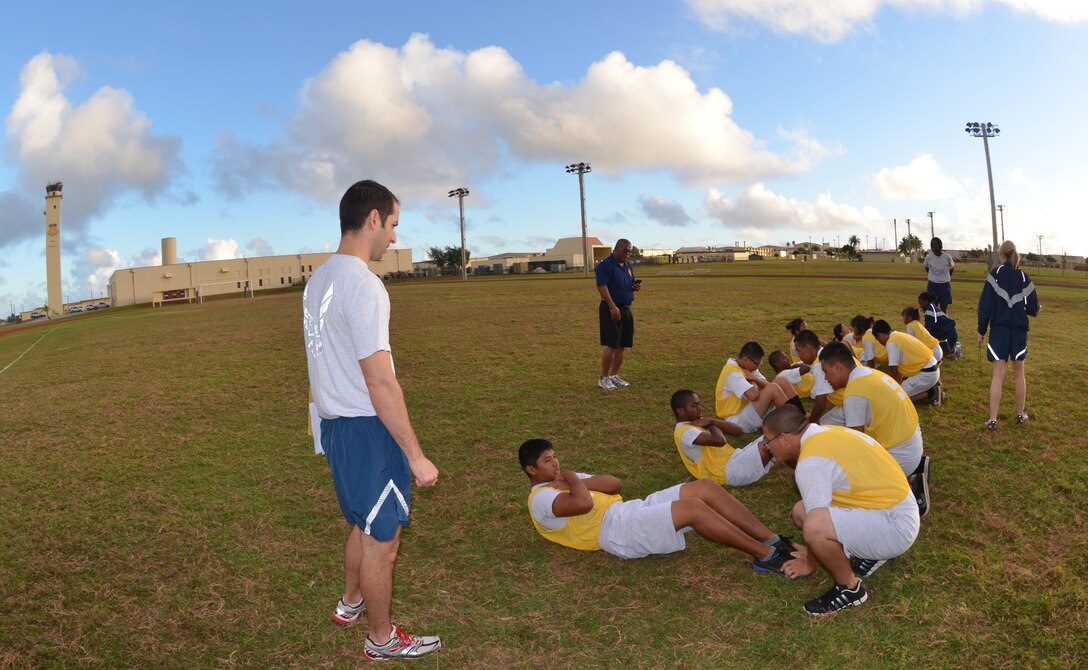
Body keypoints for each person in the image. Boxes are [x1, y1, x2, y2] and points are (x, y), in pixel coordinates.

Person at [303, 180, 442, 662]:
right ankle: (381, 640)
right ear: (374, 219)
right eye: (394, 225)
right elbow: (380, 382)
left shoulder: (319, 278)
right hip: (366, 429)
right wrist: (415, 456)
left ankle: (351, 601)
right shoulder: (363, 284)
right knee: (382, 540)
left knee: (363, 521)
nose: (395, 238)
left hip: (336, 426)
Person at [519, 439, 797, 573]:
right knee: (693, 508)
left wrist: (573, 479)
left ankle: (773, 539)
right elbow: (582, 502)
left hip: (627, 510)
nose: (556, 463)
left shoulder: (563, 480)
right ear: (532, 470)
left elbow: (615, 484)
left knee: (705, 487)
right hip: (614, 532)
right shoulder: (541, 498)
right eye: (547, 461)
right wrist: (569, 478)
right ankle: (768, 556)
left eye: (555, 457)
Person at [761, 406, 920, 616]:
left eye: (767, 440)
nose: (766, 446)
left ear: (784, 438)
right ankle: (871, 551)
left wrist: (809, 563)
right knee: (800, 511)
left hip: (895, 526)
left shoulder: (811, 462)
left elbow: (815, 522)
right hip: (897, 509)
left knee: (813, 525)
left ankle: (850, 589)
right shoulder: (827, 433)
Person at [818, 342, 931, 519]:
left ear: (838, 367)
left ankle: (909, 488)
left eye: (826, 372)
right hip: (912, 441)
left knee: (844, 488)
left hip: (901, 455)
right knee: (831, 425)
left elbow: (857, 445)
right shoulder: (868, 373)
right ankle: (913, 467)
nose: (825, 378)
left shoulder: (855, 393)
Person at [977, 240, 1040, 431]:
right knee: (1019, 373)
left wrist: (981, 330)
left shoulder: (994, 275)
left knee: (998, 374)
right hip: (1019, 331)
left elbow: (985, 306)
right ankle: (1020, 415)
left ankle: (993, 419)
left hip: (999, 331)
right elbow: (1033, 307)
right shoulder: (1023, 277)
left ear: (1001, 255)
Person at [670, 389, 774, 487]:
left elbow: (737, 431)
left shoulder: (695, 423)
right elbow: (719, 441)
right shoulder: (684, 431)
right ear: (681, 411)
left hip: (735, 457)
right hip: (726, 472)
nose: (701, 408)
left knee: (774, 434)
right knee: (769, 444)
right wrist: (710, 423)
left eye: (699, 404)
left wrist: (712, 422)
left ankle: (780, 460)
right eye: (694, 406)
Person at [715, 341, 801, 433]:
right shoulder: (733, 373)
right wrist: (753, 380)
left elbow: (767, 384)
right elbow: (753, 395)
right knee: (773, 389)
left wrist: (754, 378)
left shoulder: (748, 367)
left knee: (781, 381)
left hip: (747, 410)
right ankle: (795, 424)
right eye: (757, 364)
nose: (757, 367)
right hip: (737, 420)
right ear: (745, 359)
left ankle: (800, 414)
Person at [596, 239, 640, 390]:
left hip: (626, 309)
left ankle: (614, 375)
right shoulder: (605, 265)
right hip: (612, 309)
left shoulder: (627, 266)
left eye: (629, 251)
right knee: (612, 345)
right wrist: (612, 306)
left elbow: (628, 283)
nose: (627, 254)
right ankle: (604, 378)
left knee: (622, 345)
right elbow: (602, 286)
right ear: (616, 249)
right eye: (625, 251)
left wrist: (634, 287)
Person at [871, 320, 941, 405]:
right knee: (897, 392)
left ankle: (932, 393)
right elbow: (899, 371)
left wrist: (890, 390)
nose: (880, 343)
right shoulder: (898, 335)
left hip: (927, 374)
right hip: (932, 369)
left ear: (879, 335)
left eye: (878, 339)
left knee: (897, 398)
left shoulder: (891, 343)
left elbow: (894, 371)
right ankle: (930, 387)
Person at [792, 329, 847, 427]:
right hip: (853, 399)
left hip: (852, 404)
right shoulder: (829, 352)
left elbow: (820, 403)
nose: (799, 356)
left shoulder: (820, 364)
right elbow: (825, 398)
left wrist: (809, 423)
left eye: (799, 351)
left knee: (817, 428)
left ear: (808, 348)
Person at [919, 292, 961, 359]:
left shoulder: (930, 310)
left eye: (921, 303)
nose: (920, 306)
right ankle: (952, 347)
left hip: (947, 337)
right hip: (948, 334)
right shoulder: (932, 307)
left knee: (933, 355)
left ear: (926, 301)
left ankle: (954, 349)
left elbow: (928, 330)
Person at [923, 237, 955, 313]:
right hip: (932, 285)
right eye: (933, 245)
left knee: (943, 308)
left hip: (944, 285)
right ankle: (934, 323)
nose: (935, 246)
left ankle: (943, 323)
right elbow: (926, 266)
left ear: (940, 245)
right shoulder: (928, 257)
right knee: (933, 307)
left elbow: (952, 267)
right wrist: (932, 276)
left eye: (936, 244)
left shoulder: (947, 257)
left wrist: (948, 277)